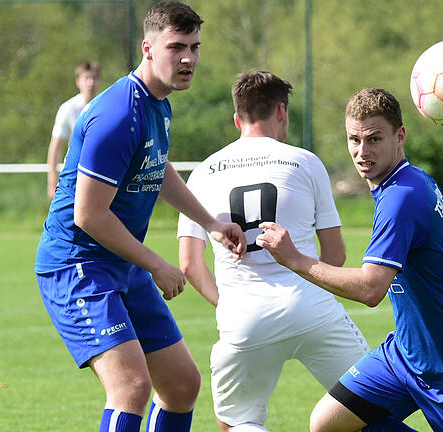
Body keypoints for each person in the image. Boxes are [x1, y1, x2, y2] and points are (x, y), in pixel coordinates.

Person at [34, 2, 246, 432]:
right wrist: (157, 264)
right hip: (79, 265)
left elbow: (157, 167)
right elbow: (89, 215)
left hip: (120, 263)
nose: (188, 58)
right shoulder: (118, 113)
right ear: (147, 48)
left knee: (183, 384)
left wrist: (211, 222)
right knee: (131, 386)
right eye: (176, 47)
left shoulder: (158, 104)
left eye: (194, 47)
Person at [256, 88, 443, 432]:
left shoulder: (400, 199)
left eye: (374, 139)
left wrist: (294, 259)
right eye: (354, 140)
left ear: (400, 136)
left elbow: (370, 289)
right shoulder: (417, 180)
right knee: (327, 423)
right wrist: (429, 320)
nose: (362, 152)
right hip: (407, 355)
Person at [176, 70, 369, 432]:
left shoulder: (202, 172)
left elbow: (189, 264)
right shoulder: (304, 161)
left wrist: (233, 303)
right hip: (312, 309)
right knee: (369, 410)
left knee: (238, 423)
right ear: (282, 112)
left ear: (237, 118)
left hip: (243, 318)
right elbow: (336, 253)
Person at [46, 61, 101, 201]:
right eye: (86, 78)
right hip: (75, 175)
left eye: (94, 78)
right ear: (78, 82)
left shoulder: (106, 106)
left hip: (102, 174)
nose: (90, 82)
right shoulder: (67, 109)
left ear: (99, 81)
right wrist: (52, 180)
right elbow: (56, 146)